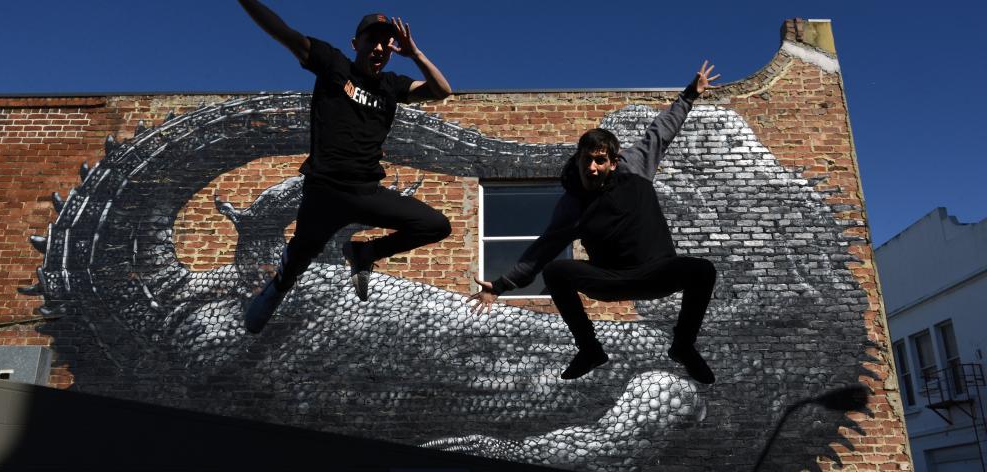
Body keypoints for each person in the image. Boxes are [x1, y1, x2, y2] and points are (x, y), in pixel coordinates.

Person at [469, 62, 721, 383]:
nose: (591, 168)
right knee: (557, 271)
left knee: (702, 270)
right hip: (611, 279)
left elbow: (661, 130)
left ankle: (683, 346)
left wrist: (689, 95)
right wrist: (502, 285)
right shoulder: (572, 202)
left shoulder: (636, 167)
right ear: (578, 160)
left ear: (613, 163)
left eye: (599, 160)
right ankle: (589, 349)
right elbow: (543, 249)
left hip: (658, 271)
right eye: (586, 160)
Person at [238, 1, 453, 334]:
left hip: (366, 191)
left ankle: (364, 252)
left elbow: (442, 90)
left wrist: (416, 54)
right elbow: (284, 33)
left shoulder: (392, 86)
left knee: (436, 225)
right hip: (323, 190)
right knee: (298, 259)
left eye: (386, 42)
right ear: (357, 45)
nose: (379, 48)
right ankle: (277, 288)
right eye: (372, 41)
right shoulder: (333, 65)